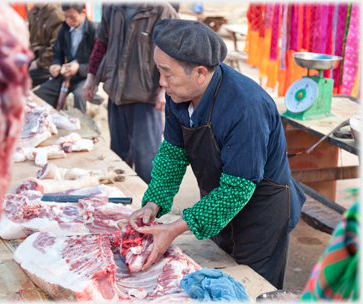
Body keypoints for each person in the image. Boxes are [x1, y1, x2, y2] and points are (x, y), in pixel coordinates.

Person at [123, 19, 306, 290]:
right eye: (159, 71)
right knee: (220, 275)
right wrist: (153, 205)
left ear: (199, 73)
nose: (162, 82)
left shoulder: (245, 107)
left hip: (261, 212)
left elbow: (236, 190)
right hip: (217, 203)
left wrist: (175, 228)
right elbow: (172, 154)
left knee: (251, 288)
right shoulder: (179, 96)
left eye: (167, 73)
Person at [82, 2, 179, 184]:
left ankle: (150, 208)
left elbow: (173, 53)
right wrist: (91, 76)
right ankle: (120, 208)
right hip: (116, 94)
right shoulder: (112, 7)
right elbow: (102, 42)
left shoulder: (162, 10)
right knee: (118, 157)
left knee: (147, 161)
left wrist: (165, 89)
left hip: (146, 97)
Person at [33, 3, 97, 113]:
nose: (68, 21)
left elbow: (99, 62)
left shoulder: (94, 30)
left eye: (72, 17)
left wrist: (79, 68)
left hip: (86, 77)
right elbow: (57, 53)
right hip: (66, 74)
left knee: (79, 96)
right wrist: (56, 65)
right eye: (65, 16)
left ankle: (81, 128)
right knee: (39, 95)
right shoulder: (64, 28)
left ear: (83, 12)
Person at [27, 3, 64, 88]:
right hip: (33, 57)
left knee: (24, 78)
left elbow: (56, 48)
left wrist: (38, 63)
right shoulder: (32, 12)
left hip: (47, 63)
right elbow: (31, 40)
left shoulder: (56, 15)